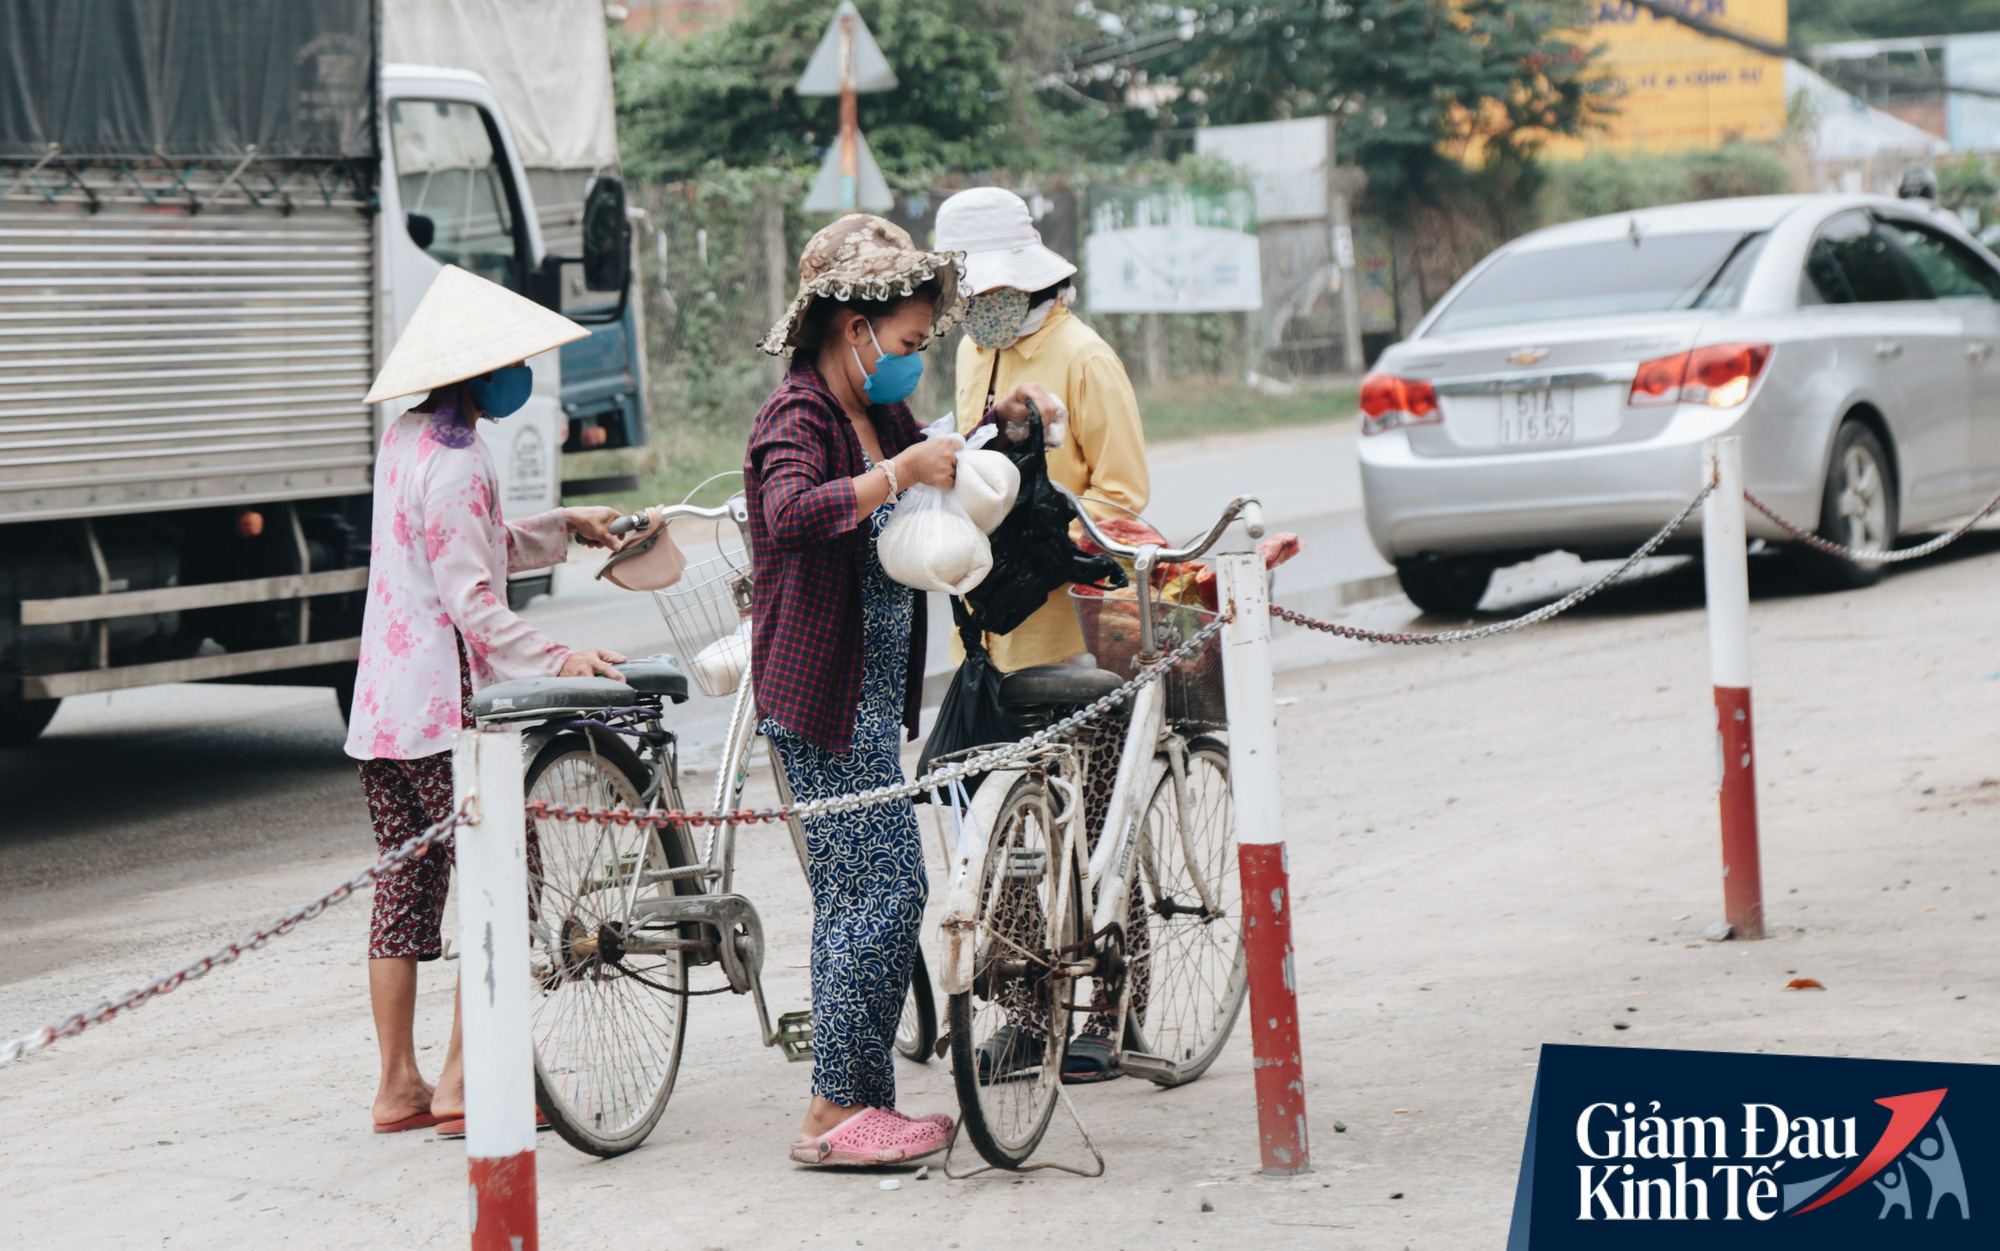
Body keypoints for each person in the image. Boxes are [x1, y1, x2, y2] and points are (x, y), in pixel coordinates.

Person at [347, 266, 631, 1135]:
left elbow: (459, 549)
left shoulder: (404, 439)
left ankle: (400, 1084)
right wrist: (565, 655)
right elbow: (473, 601)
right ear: (478, 373)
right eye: (511, 358)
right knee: (505, 875)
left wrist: (558, 523)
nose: (522, 372)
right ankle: (470, 1081)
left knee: (406, 883)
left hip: (382, 712)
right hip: (446, 708)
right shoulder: (462, 459)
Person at [746, 214, 969, 1166]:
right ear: (854, 328)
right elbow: (790, 512)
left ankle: (855, 1104)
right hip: (824, 698)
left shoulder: (874, 414)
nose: (914, 361)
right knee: (885, 890)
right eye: (909, 343)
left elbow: (928, 462)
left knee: (855, 895)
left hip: (871, 696)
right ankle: (832, 1112)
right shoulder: (797, 416)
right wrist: (896, 475)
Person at [934, 186, 1152, 1084]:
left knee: (1092, 816)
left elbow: (1123, 498)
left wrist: (1044, 536)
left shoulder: (1083, 358)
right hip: (984, 632)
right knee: (1003, 836)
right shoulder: (969, 353)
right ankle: (1024, 1010)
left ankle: (1116, 1002)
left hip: (1069, 631)